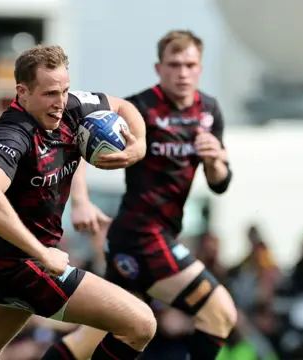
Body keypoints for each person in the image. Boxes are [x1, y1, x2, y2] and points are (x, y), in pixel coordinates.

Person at [0, 44, 157, 360]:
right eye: (50, 94)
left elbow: (123, 106)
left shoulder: (72, 107)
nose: (60, 103)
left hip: (10, 261)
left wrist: (139, 147)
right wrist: (42, 253)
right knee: (140, 324)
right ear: (22, 92)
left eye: (65, 91)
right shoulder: (13, 132)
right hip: (27, 264)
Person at [41, 30, 237, 360]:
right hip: (142, 236)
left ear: (200, 68)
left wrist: (216, 160)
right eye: (174, 64)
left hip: (152, 236)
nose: (183, 72)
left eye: (190, 64)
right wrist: (81, 200)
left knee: (88, 342)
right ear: (159, 68)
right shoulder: (140, 107)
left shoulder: (209, 111)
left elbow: (219, 183)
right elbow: (77, 138)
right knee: (220, 312)